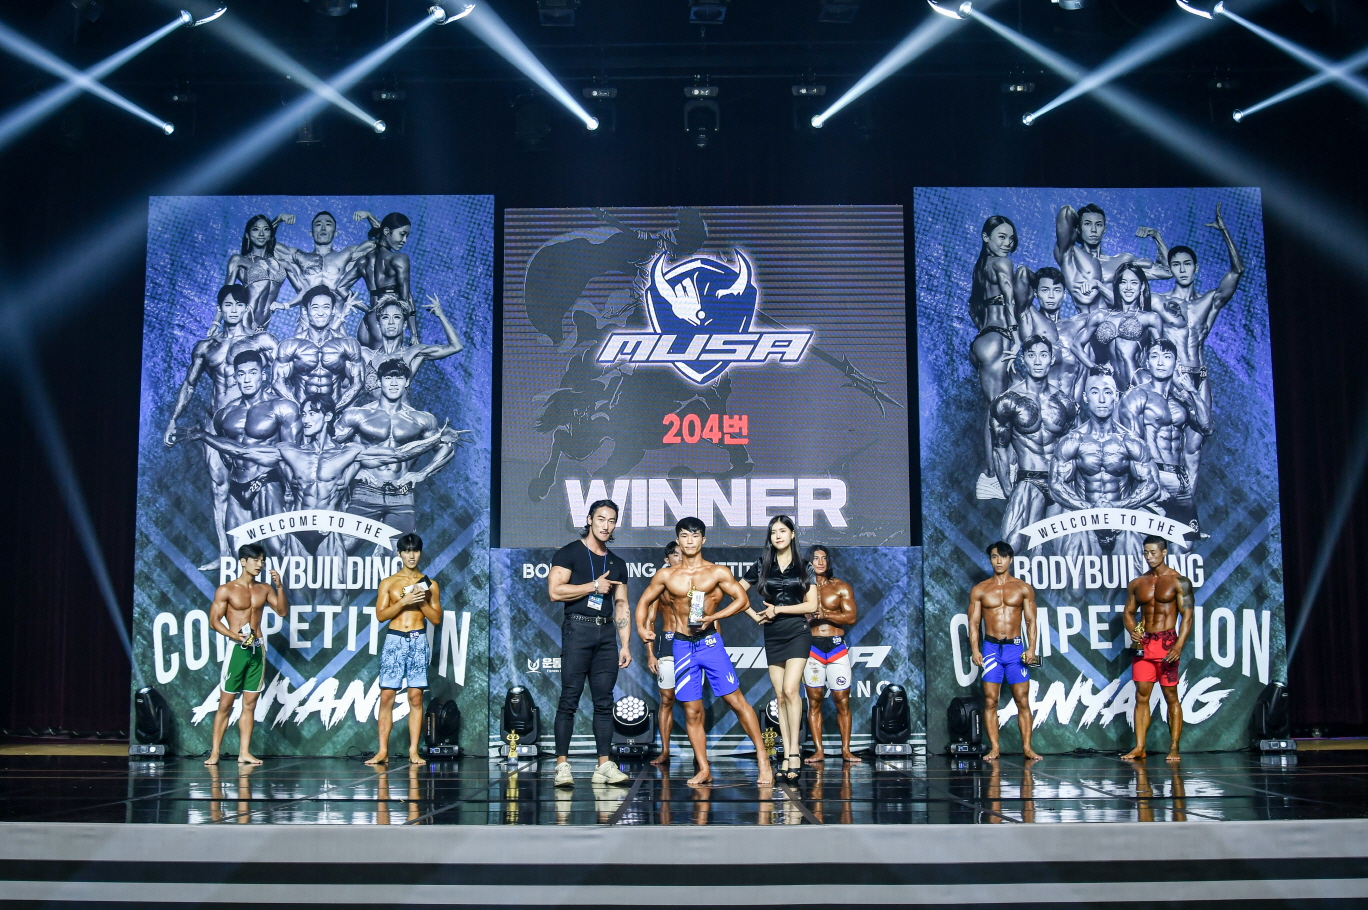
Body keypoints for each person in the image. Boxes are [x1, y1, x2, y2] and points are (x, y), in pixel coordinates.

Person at [181, 395, 463, 564]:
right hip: (297, 532)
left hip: (330, 532)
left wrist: (436, 439)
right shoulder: (288, 451)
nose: (305, 419)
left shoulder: (349, 452)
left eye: (312, 413)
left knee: (337, 596)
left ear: (328, 416)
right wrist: (204, 436)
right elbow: (242, 450)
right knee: (296, 595)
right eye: (303, 413)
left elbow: (398, 454)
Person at [634, 517, 774, 787]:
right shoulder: (666, 576)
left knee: (735, 701)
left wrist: (713, 617)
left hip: (709, 644)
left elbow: (742, 599)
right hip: (681, 645)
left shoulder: (717, 572)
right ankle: (704, 768)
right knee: (692, 711)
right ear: (678, 540)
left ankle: (762, 757)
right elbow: (644, 602)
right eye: (684, 536)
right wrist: (641, 628)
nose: (689, 541)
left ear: (703, 539)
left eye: (695, 536)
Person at [163, 285, 281, 564]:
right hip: (215, 421)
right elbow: (189, 385)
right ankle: (226, 555)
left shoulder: (260, 341)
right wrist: (173, 420)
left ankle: (262, 554)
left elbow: (281, 378)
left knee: (256, 485)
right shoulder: (207, 347)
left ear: (246, 308)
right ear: (220, 308)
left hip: (248, 423)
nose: (233, 310)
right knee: (219, 487)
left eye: (238, 305)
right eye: (228, 305)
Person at [1153, 204, 1244, 501]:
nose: (1182, 269)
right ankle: (1163, 503)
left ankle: (1186, 511)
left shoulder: (1209, 302)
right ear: (1170, 269)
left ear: (1196, 268)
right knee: (1166, 442)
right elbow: (1125, 288)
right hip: (1172, 379)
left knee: (1194, 448)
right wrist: (1157, 241)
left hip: (1199, 376)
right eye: (1176, 265)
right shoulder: (1158, 301)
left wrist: (1224, 231)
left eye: (1187, 264)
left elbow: (1237, 271)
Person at [547, 499, 632, 788]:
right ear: (589, 520)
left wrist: (625, 644)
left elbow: (621, 605)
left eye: (611, 521)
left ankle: (603, 765)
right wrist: (593, 586)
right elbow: (555, 592)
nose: (606, 526)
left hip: (606, 634)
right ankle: (562, 765)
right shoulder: (569, 552)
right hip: (578, 629)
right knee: (569, 699)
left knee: (604, 702)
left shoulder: (618, 563)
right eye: (601, 519)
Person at [1049, 369, 1160, 566]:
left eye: (1107, 392)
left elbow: (1153, 485)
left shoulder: (1130, 441)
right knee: (1075, 581)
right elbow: (1056, 486)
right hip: (1084, 521)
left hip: (1123, 521)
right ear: (1085, 397)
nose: (1101, 399)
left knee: (1135, 578)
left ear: (1116, 396)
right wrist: (1090, 510)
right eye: (1095, 392)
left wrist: (1118, 507)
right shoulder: (1072, 441)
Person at [334, 359, 456, 536]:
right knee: (346, 544)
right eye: (388, 378)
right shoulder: (358, 415)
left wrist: (423, 473)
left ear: (406, 382)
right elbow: (328, 446)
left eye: (399, 378)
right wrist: (353, 472)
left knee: (402, 551)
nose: (393, 383)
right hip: (365, 490)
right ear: (378, 381)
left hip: (401, 493)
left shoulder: (421, 419)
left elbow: (447, 448)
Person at [738, 515, 818, 782]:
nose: (778, 536)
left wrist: (779, 609)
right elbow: (736, 591)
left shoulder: (805, 566)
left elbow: (812, 605)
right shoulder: (762, 564)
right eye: (773, 532)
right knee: (780, 697)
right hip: (772, 633)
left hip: (797, 631)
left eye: (783, 531)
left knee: (791, 689)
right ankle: (785, 755)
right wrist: (754, 615)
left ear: (792, 534)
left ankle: (794, 753)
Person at [209, 349, 302, 555]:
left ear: (262, 374)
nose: (247, 379)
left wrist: (290, 493)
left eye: (252, 372)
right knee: (240, 556)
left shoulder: (281, 408)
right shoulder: (224, 414)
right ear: (235, 377)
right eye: (241, 374)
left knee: (279, 550)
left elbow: (293, 455)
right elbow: (227, 455)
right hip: (237, 487)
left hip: (268, 482)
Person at [991, 335, 1076, 554]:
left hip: (1059, 482)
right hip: (1028, 479)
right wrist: (1008, 489)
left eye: (1043, 355)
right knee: (1011, 546)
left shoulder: (1065, 402)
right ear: (1023, 360)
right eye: (1031, 355)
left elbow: (1071, 450)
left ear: (1052, 359)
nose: (1038, 361)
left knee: (1067, 552)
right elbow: (999, 449)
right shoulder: (1008, 401)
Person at [204, 543, 287, 766]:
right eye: (256, 560)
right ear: (243, 561)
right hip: (237, 649)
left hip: (257, 648)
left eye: (262, 561)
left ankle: (244, 752)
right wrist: (234, 635)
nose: (260, 564)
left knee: (250, 704)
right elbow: (214, 621)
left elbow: (282, 611)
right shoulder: (226, 590)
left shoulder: (264, 589)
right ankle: (215, 752)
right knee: (226, 703)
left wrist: (279, 587)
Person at [1120, 340, 1211, 541]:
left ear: (1176, 363)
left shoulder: (1181, 400)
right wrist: (1150, 481)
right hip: (1152, 476)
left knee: (1184, 542)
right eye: (1155, 357)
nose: (1161, 362)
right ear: (1147, 362)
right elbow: (1132, 447)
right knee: (1146, 542)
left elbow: (1207, 428)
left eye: (1167, 357)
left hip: (1179, 479)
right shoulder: (1137, 396)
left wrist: (1193, 392)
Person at [366, 533, 442, 766]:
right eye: (407, 551)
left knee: (415, 697)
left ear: (420, 553)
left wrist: (420, 601)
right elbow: (381, 616)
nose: (411, 555)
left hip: (418, 640)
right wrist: (403, 602)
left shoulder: (430, 584)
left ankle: (413, 751)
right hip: (395, 640)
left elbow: (436, 619)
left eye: (415, 550)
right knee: (386, 696)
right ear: (399, 553)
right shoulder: (388, 583)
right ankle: (382, 751)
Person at [1122, 535, 1194, 763]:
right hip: (1144, 646)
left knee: (1171, 696)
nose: (1149, 557)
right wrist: (1133, 630)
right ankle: (1139, 747)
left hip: (1167, 643)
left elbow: (1187, 616)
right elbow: (1128, 612)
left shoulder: (1179, 581)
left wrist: (1179, 645)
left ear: (1164, 552)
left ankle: (1174, 748)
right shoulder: (1137, 583)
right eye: (1146, 552)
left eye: (1153, 552)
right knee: (1141, 696)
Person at [967, 541, 1040, 761]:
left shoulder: (1023, 588)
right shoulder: (980, 590)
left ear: (1010, 559)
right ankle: (995, 748)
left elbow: (1031, 621)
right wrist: (975, 650)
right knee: (990, 700)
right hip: (990, 649)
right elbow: (973, 624)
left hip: (1015, 649)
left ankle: (1027, 748)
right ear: (990, 559)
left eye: (1003, 557)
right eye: (994, 557)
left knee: (1022, 700)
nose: (999, 561)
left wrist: (1032, 648)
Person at [968, 216, 1022, 499]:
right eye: (1001, 236)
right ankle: (992, 476)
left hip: (985, 338)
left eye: (1011, 238)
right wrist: (1016, 336)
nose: (1007, 243)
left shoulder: (982, 266)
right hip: (999, 338)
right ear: (986, 237)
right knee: (998, 411)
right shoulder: (1002, 263)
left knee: (996, 408)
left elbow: (976, 307)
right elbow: (1010, 298)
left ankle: (994, 472)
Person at [803, 545, 861, 765]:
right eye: (816, 558)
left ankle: (846, 750)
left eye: (824, 558)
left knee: (842, 700)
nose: (820, 562)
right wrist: (807, 616)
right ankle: (818, 751)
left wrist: (824, 614)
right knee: (814, 701)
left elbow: (851, 617)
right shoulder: (801, 589)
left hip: (836, 648)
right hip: (812, 648)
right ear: (808, 562)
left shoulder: (841, 587)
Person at [1072, 264, 1165, 392]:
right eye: (1123, 282)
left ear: (1142, 286)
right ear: (1117, 285)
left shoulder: (1150, 318)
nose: (1128, 287)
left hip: (1138, 384)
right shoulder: (1101, 315)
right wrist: (1094, 367)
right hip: (1111, 388)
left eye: (1134, 283)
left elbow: (1164, 352)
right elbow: (1075, 345)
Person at [274, 286, 365, 412]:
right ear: (305, 311)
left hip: (335, 410)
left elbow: (358, 383)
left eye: (326, 307)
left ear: (333, 310)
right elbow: (277, 382)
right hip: (301, 412)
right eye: (315, 308)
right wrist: (303, 411)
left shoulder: (348, 345)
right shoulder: (290, 345)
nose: (321, 313)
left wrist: (334, 411)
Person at [360, 294, 464, 400]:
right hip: (370, 410)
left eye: (396, 317)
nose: (391, 322)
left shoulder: (413, 354)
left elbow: (456, 346)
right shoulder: (366, 355)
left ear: (404, 324)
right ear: (378, 324)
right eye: (385, 317)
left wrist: (441, 316)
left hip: (401, 410)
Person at [637, 540, 684, 765]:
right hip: (668, 642)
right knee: (667, 699)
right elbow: (650, 619)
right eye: (675, 554)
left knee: (694, 702)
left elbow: (709, 615)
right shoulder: (661, 582)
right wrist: (650, 654)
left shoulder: (697, 578)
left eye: (682, 554)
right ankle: (665, 752)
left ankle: (699, 754)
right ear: (667, 559)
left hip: (693, 642)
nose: (680, 558)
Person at [355, 212, 417, 350]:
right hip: (386, 322)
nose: (404, 240)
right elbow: (406, 299)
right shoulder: (399, 259)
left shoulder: (363, 259)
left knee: (366, 362)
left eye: (407, 236)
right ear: (386, 231)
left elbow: (340, 288)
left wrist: (366, 309)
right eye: (402, 234)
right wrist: (414, 333)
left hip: (368, 319)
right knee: (387, 363)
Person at [224, 213, 297, 330]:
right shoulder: (241, 261)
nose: (261, 233)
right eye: (255, 229)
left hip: (264, 325)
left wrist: (286, 305)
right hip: (244, 322)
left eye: (266, 229)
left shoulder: (276, 262)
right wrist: (216, 323)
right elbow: (225, 295)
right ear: (247, 235)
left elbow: (264, 236)